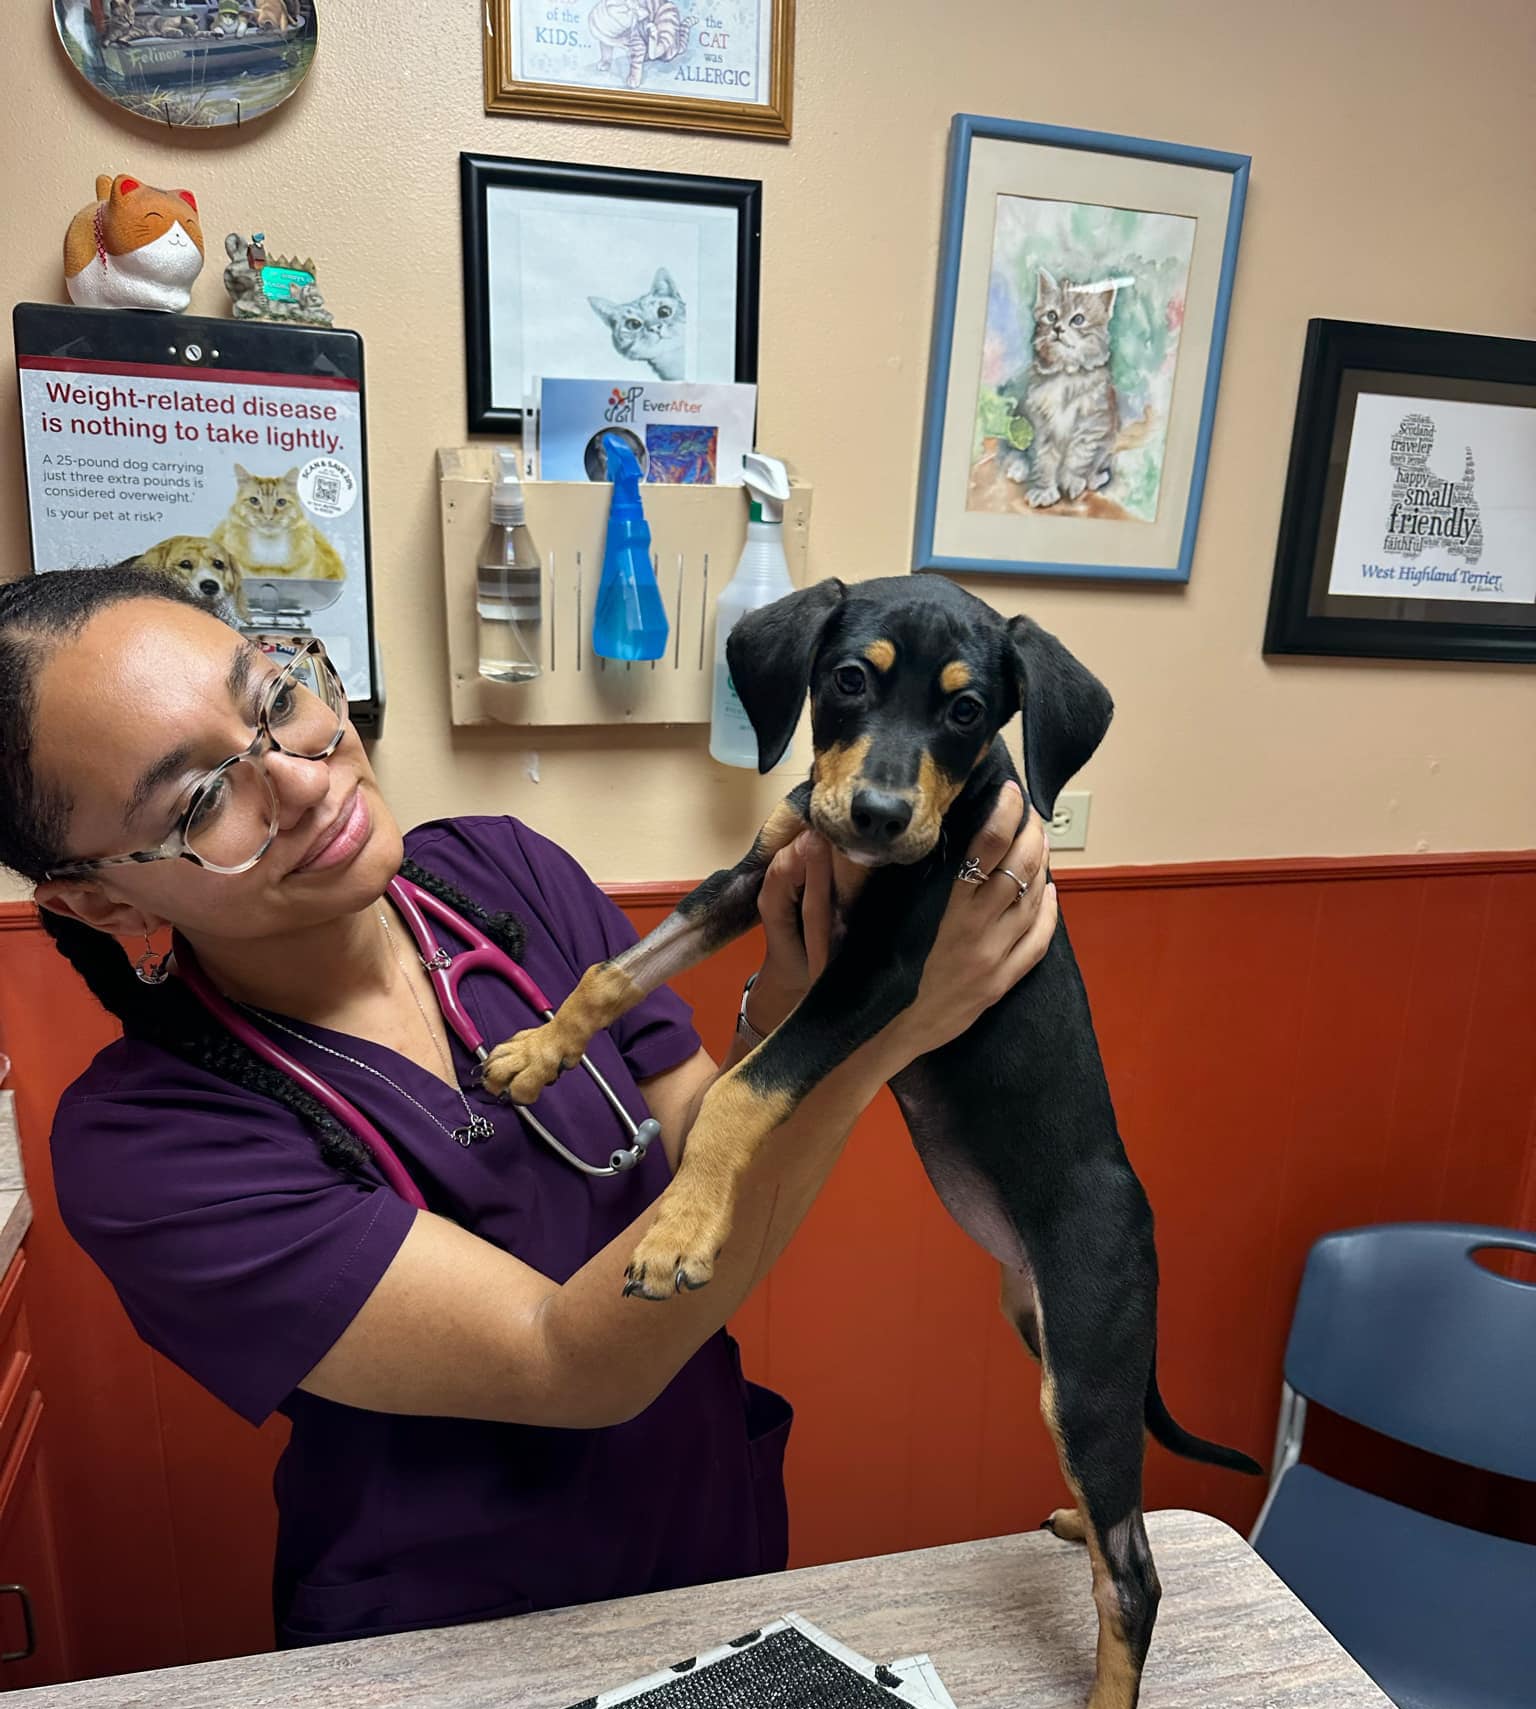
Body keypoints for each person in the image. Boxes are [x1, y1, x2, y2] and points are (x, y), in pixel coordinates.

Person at [0, 566, 1058, 1648]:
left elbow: (704, 1143)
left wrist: (797, 993)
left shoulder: (506, 872)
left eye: (276, 700)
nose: (305, 781)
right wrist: (887, 1028)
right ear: (98, 897)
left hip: (706, 1552)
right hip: (444, 1646)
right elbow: (571, 1359)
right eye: (200, 799)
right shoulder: (151, 1146)